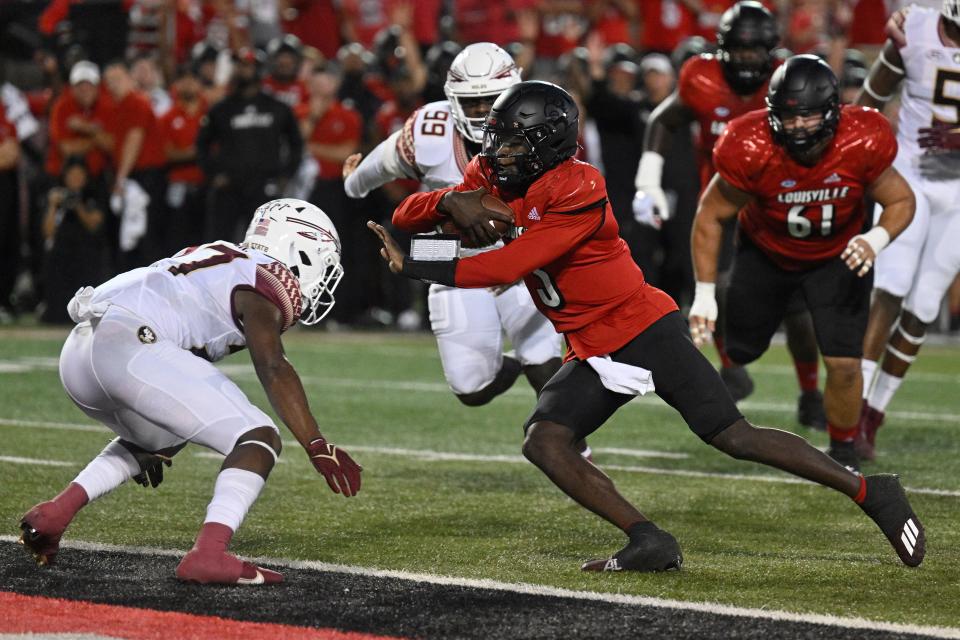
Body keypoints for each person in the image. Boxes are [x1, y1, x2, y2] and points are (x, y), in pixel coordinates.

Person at [369, 79, 925, 572]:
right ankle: (649, 538)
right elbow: (405, 214)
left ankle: (869, 490)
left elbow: (506, 264)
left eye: (514, 142)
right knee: (546, 443)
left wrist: (417, 260)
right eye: (496, 138)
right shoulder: (493, 171)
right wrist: (451, 198)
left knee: (733, 436)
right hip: (589, 344)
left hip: (642, 329)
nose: (497, 153)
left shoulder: (579, 186)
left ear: (548, 146)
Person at [19, 198, 362, 585]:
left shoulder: (228, 257)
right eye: (324, 264)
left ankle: (54, 514)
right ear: (300, 250)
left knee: (171, 432)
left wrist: (155, 441)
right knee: (259, 436)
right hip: (128, 344)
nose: (322, 279)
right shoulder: (261, 279)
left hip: (81, 352)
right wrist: (316, 442)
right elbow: (273, 365)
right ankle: (209, 553)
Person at [689, 55, 916, 473]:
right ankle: (744, 352)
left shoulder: (860, 138)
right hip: (767, 256)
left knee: (845, 363)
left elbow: (901, 200)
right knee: (742, 347)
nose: (797, 127)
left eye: (808, 117)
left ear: (832, 112)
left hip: (839, 257)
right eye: (789, 117)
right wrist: (704, 295)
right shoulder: (751, 144)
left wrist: (875, 237)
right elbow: (710, 215)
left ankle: (844, 450)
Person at [633, 1, 827, 429]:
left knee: (797, 307)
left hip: (778, 203)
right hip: (719, 201)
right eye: (737, 52)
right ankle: (731, 367)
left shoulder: (789, 81)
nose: (745, 62)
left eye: (753, 53)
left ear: (771, 52)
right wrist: (648, 179)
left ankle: (811, 391)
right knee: (712, 286)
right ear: (721, 50)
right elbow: (665, 119)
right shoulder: (701, 77)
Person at [343, 43, 566, 411]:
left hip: (521, 258)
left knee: (541, 354)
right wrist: (354, 182)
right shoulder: (430, 130)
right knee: (472, 388)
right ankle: (513, 364)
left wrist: (532, 253)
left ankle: (574, 450)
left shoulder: (539, 127)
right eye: (471, 102)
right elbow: (380, 165)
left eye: (490, 100)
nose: (480, 111)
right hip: (454, 262)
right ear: (452, 100)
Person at [852, 0, 960, 460]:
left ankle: (873, 415)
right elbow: (869, 103)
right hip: (909, 182)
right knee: (889, 291)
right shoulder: (912, 29)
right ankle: (850, 409)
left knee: (923, 306)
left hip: (958, 195)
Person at [196, 48, 304, 243]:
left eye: (248, 65)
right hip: (229, 186)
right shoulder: (221, 109)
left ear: (259, 70)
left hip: (264, 186)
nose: (242, 70)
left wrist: (286, 175)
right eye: (239, 65)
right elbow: (202, 144)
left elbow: (296, 143)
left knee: (266, 244)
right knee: (219, 245)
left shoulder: (277, 108)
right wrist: (213, 175)